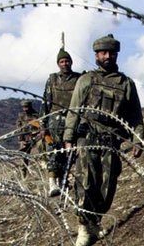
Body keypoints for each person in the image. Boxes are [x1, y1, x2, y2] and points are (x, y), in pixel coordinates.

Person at [63, 34, 144, 246]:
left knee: (106, 187)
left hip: (111, 141)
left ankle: (95, 221)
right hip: (88, 138)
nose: (107, 56)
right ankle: (84, 227)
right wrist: (68, 138)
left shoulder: (126, 84)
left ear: (116, 54)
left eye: (111, 53)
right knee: (86, 183)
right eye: (103, 53)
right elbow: (74, 110)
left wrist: (138, 139)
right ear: (96, 55)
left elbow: (135, 115)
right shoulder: (86, 80)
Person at [41, 48, 82, 196]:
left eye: (67, 61)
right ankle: (52, 183)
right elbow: (45, 103)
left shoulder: (79, 79)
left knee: (69, 153)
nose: (65, 64)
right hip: (54, 123)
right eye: (62, 61)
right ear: (58, 64)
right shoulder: (52, 79)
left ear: (71, 62)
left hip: (72, 121)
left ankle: (64, 181)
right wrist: (43, 125)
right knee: (54, 152)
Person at [16, 100, 40, 175]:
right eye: (24, 107)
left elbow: (39, 127)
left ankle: (36, 175)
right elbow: (18, 128)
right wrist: (20, 140)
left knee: (36, 158)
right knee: (23, 159)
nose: (25, 109)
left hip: (35, 140)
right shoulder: (21, 115)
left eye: (26, 107)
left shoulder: (36, 115)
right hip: (24, 139)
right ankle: (23, 175)